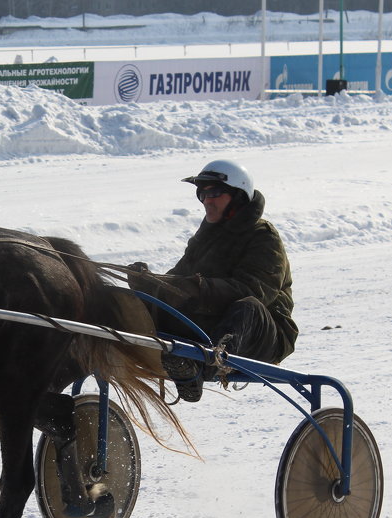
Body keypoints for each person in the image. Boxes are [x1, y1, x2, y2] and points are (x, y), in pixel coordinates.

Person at [127, 159, 297, 402]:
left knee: (248, 306)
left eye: (215, 193)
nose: (207, 200)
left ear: (238, 196)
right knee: (146, 303)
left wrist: (195, 288)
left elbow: (255, 290)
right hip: (211, 328)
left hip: (261, 335)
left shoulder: (263, 237)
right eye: (202, 194)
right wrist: (148, 283)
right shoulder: (205, 237)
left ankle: (201, 368)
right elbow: (177, 281)